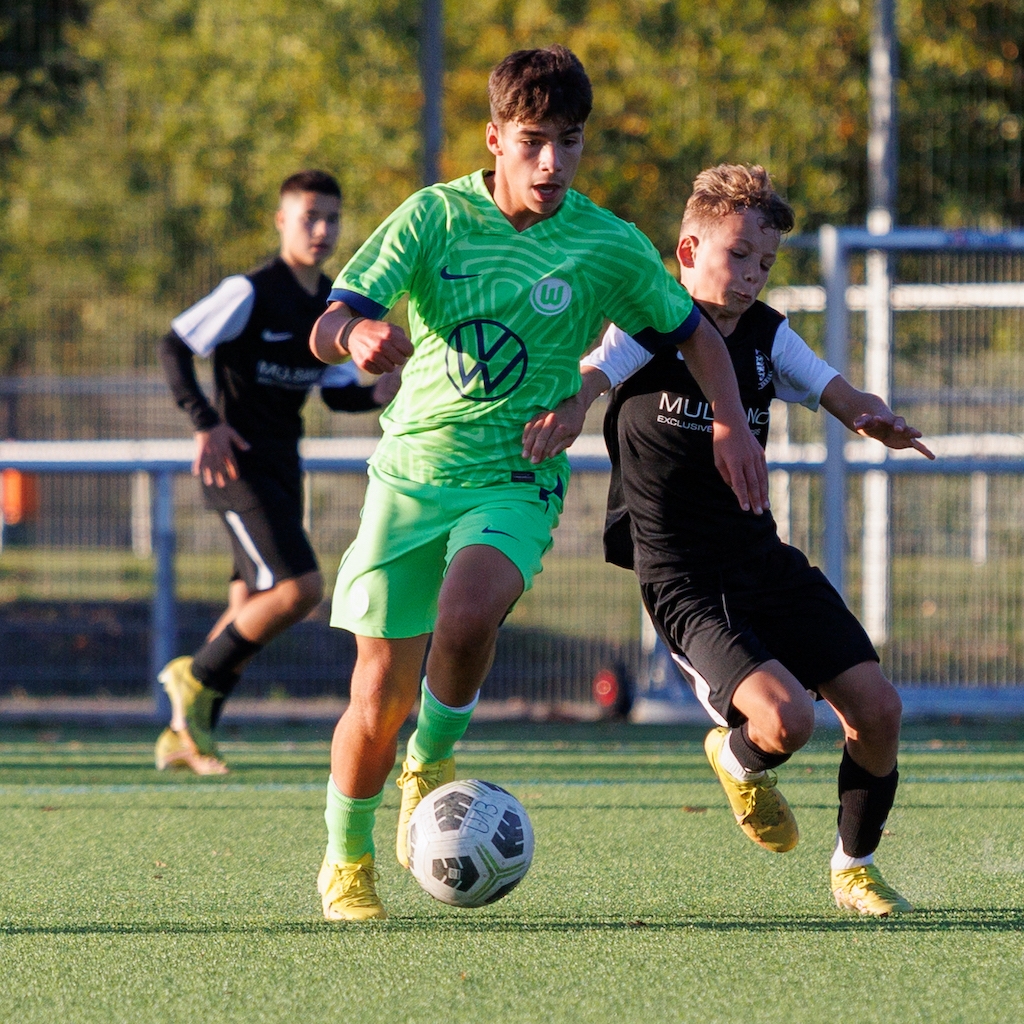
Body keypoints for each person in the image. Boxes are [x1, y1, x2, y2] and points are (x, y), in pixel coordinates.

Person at [308, 47, 770, 921]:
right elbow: (334, 318)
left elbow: (693, 333)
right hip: (410, 476)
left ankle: (430, 763)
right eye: (533, 142)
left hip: (516, 478)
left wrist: (730, 422)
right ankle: (347, 860)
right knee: (377, 695)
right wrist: (354, 338)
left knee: (469, 612)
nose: (553, 162)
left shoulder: (603, 243)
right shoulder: (434, 218)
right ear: (495, 140)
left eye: (570, 141)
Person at [576, 163, 934, 916]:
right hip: (682, 578)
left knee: (878, 711)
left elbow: (837, 392)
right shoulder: (646, 324)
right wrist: (561, 409)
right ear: (687, 250)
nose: (750, 276)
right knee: (786, 721)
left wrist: (874, 418)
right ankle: (738, 758)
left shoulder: (769, 334)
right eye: (737, 254)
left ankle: (855, 868)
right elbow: (593, 376)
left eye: (764, 263)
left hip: (762, 559)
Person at [155, 169, 398, 775]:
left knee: (249, 601)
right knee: (299, 589)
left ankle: (186, 736)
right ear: (281, 221)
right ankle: (192, 677)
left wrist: (379, 391)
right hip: (235, 464)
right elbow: (174, 345)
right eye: (309, 217)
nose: (321, 230)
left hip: (284, 465)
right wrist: (205, 422)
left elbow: (336, 393)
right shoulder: (250, 291)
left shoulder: (333, 306)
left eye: (332, 219)